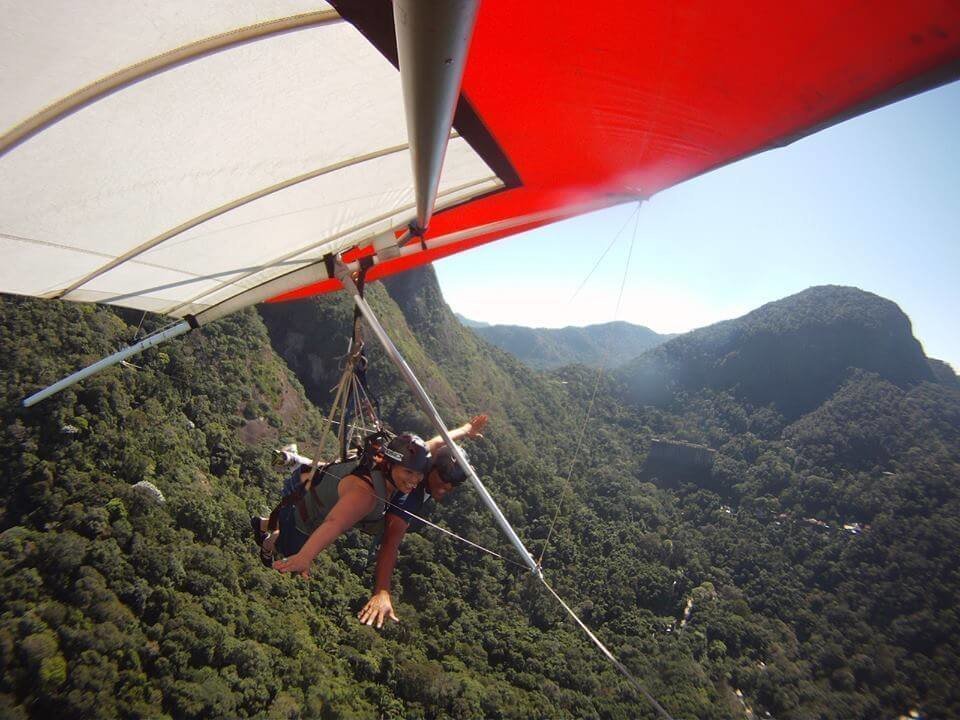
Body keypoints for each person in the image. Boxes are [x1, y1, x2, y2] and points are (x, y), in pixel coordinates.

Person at [256, 415, 486, 578]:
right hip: (301, 507)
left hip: (312, 482)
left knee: (306, 511)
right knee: (287, 546)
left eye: (419, 474)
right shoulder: (367, 495)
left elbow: (437, 441)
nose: (414, 480)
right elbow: (334, 524)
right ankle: (268, 541)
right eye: (408, 473)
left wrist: (467, 430)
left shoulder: (409, 459)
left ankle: (263, 520)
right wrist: (306, 556)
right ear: (392, 464)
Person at [357, 442, 472, 628]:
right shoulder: (409, 494)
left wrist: (466, 430)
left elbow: (436, 442)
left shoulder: (424, 466)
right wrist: (382, 591)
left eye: (452, 485)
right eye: (442, 481)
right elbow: (390, 543)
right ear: (432, 469)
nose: (445, 488)